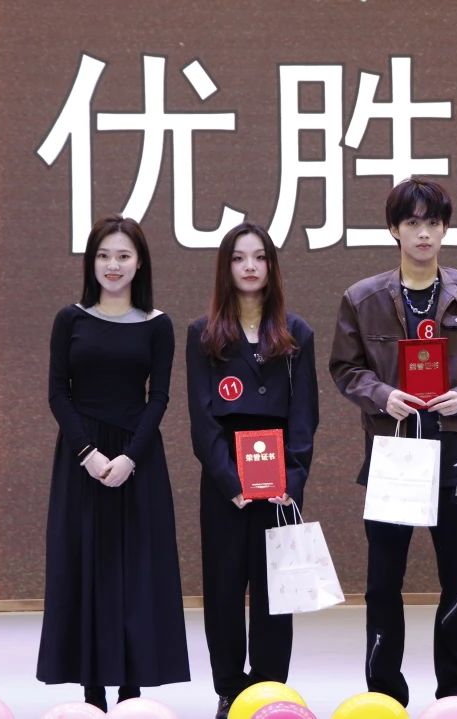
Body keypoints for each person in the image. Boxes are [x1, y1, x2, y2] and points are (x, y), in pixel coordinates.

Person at [329, 177, 457, 706]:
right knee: (384, 581)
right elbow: (345, 368)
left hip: (454, 451)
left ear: (445, 229)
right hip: (393, 452)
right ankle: (385, 693)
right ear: (394, 230)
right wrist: (383, 395)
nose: (423, 233)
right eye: (412, 223)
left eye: (433, 222)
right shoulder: (362, 298)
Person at [36, 215, 190, 710]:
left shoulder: (158, 324)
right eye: (104, 255)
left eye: (123, 255)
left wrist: (128, 458)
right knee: (85, 565)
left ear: (139, 262)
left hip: (136, 458)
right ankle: (91, 690)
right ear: (91, 262)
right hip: (81, 458)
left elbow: (159, 397)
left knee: (136, 570)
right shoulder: (70, 319)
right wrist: (88, 454)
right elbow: (58, 394)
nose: (113, 265)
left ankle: (132, 689)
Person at [186, 222, 319, 719]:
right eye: (239, 258)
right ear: (226, 267)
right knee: (223, 589)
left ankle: (269, 690)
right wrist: (230, 481)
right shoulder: (202, 333)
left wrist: (292, 480)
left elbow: (304, 416)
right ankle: (229, 690)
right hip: (225, 483)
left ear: (271, 266)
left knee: (274, 592)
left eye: (259, 257)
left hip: (279, 482)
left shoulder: (296, 333)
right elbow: (202, 420)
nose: (249, 267)